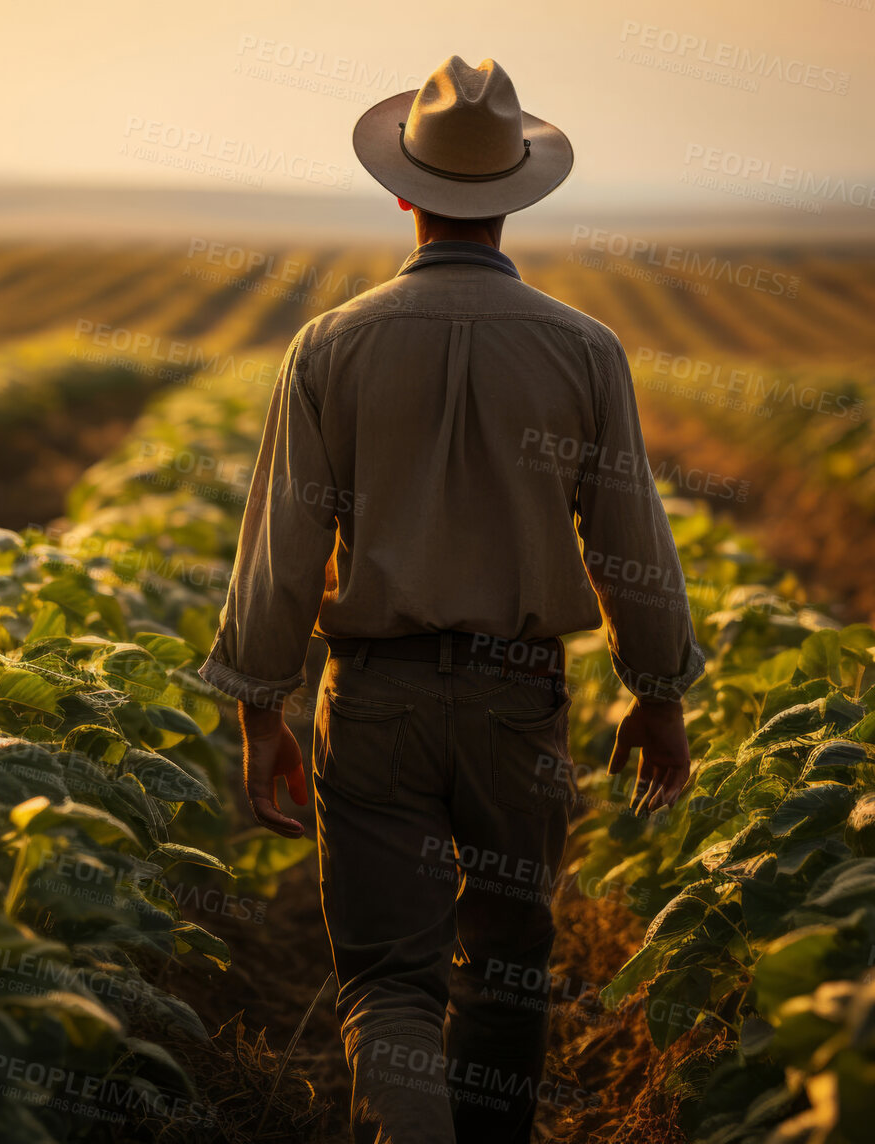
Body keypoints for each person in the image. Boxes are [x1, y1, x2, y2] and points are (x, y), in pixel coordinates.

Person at [196, 56, 705, 1144]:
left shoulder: (329, 345)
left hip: (373, 702)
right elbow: (630, 546)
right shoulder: (584, 349)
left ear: (402, 193)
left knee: (387, 981)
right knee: (509, 971)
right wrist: (655, 691)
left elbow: (283, 548)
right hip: (519, 704)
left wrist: (258, 711)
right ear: (517, 198)